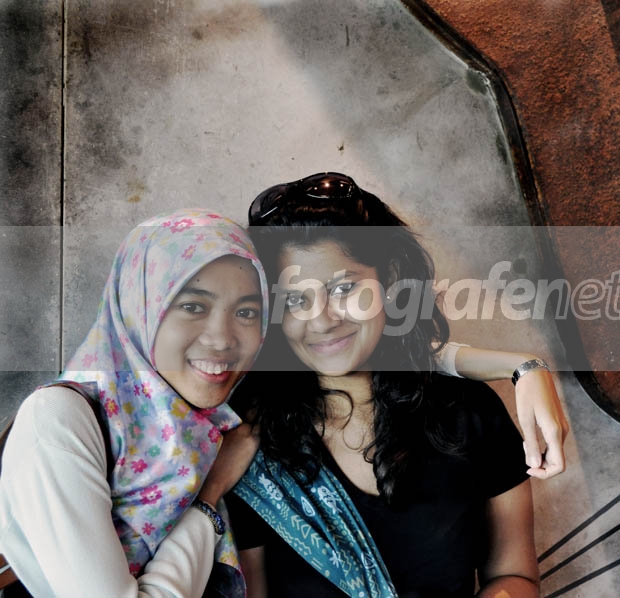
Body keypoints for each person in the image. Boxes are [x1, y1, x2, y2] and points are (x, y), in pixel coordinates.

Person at [226, 172, 546, 596]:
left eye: (343, 288)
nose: (322, 320)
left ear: (390, 279)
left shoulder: (469, 414)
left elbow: (515, 574)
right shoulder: (252, 444)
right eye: (295, 300)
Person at [0, 210, 268, 597]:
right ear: (137, 308)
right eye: (193, 306)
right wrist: (207, 497)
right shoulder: (60, 420)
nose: (223, 338)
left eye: (246, 312)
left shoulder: (212, 430)